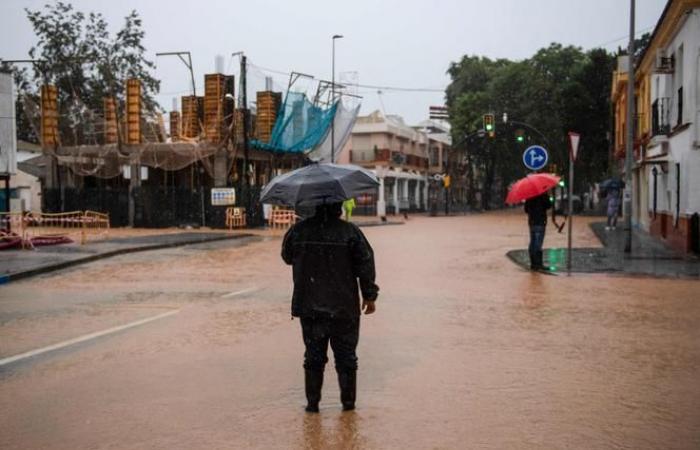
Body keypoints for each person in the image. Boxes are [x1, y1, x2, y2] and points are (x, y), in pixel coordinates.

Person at [282, 202, 379, 413]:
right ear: (339, 206)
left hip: (310, 305)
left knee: (313, 357)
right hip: (344, 307)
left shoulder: (298, 231)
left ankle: (312, 405)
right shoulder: (350, 232)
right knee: (346, 358)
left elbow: (287, 257)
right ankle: (348, 407)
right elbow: (366, 263)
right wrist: (369, 295)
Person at [524, 192, 552, 270]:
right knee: (538, 243)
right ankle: (538, 264)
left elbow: (526, 209)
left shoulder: (529, 195)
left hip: (532, 222)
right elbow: (548, 205)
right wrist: (548, 196)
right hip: (540, 222)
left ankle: (533, 263)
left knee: (533, 242)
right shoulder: (543, 194)